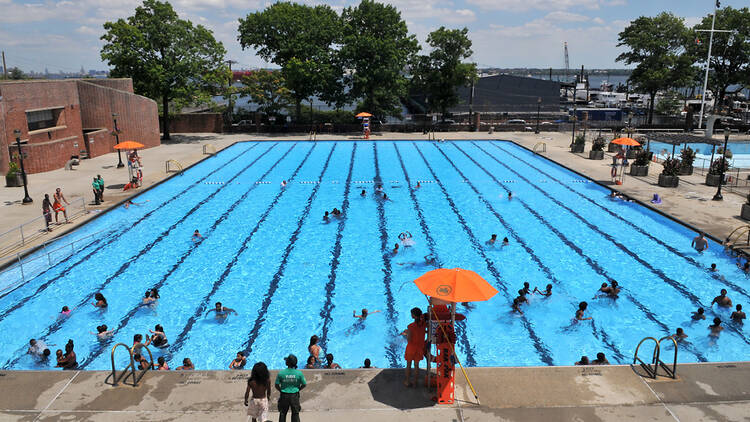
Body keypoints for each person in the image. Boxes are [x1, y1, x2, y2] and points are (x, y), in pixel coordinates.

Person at [275, 354, 306, 422]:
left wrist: (281, 390)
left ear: (287, 363)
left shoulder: (281, 373)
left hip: (284, 395)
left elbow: (276, 385)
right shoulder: (299, 373)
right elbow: (304, 384)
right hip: (295, 395)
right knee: (295, 413)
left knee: (283, 413)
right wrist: (298, 389)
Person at [401, 307, 425, 387]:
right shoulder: (424, 324)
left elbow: (409, 339)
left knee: (408, 365)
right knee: (416, 366)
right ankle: (415, 383)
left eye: (412, 314)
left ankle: (407, 382)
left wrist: (407, 333)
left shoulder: (410, 326)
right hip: (419, 348)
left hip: (411, 348)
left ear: (414, 316)